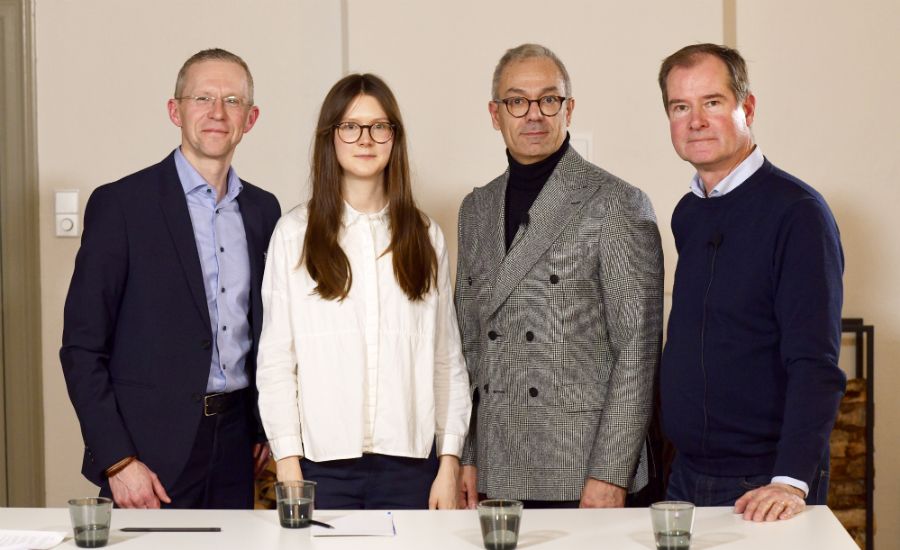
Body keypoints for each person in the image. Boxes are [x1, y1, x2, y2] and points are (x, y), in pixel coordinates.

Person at [60, 48, 280, 509]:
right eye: (202, 98)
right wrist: (118, 460)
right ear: (175, 110)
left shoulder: (264, 211)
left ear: (251, 118)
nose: (218, 113)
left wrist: (263, 428)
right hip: (148, 452)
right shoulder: (121, 206)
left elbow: (265, 331)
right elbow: (81, 348)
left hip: (240, 446)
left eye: (233, 101)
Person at [455, 43, 664, 509]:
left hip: (582, 465)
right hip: (497, 463)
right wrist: (468, 456)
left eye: (549, 100)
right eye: (517, 101)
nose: (534, 115)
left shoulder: (617, 203)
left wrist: (611, 472)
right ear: (495, 113)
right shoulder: (476, 209)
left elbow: (639, 351)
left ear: (569, 109)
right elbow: (470, 345)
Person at [256, 73, 470, 510]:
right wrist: (288, 464)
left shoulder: (425, 234)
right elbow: (277, 362)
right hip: (319, 468)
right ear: (331, 137)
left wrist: (449, 463)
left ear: (394, 137)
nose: (365, 139)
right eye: (350, 127)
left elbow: (447, 360)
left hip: (411, 468)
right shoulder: (294, 234)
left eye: (379, 126)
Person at [657, 43, 846, 522]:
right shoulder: (690, 212)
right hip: (687, 472)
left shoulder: (798, 213)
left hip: (762, 479)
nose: (695, 120)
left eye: (712, 102)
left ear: (748, 107)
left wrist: (790, 480)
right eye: (681, 107)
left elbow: (815, 361)